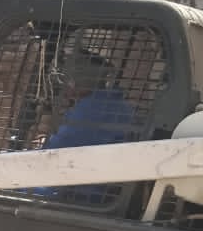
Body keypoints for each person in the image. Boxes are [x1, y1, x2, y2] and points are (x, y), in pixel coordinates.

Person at [32, 50, 138, 203]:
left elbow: (54, 154)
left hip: (82, 193)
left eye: (66, 80)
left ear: (76, 82)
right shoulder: (116, 104)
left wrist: (43, 144)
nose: (64, 86)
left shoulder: (90, 110)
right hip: (96, 184)